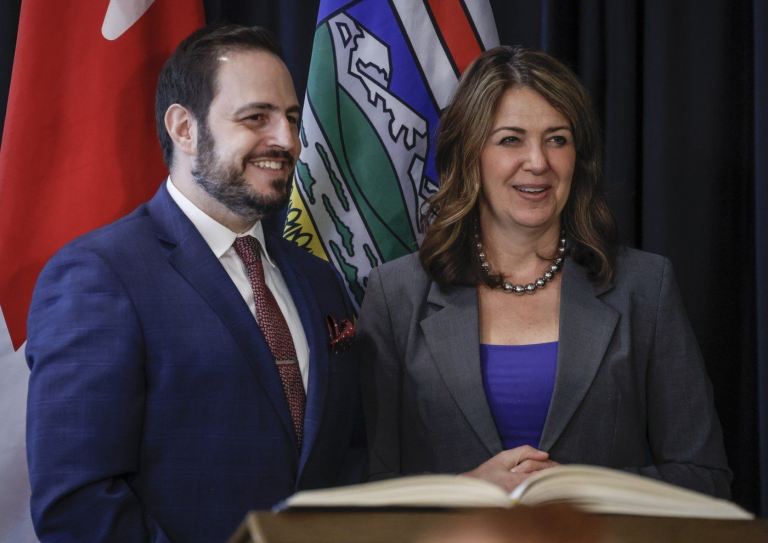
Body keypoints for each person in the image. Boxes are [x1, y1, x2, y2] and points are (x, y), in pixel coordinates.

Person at [25, 25, 365, 543]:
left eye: (292, 119)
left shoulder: (318, 279)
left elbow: (348, 459)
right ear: (185, 128)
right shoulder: (98, 275)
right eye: (257, 118)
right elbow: (79, 507)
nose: (288, 141)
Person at [357, 46, 731, 498]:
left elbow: (704, 477)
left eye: (557, 138)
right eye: (511, 139)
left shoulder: (645, 288)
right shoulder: (395, 295)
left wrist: (579, 492)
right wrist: (462, 492)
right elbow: (363, 486)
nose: (538, 161)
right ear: (470, 153)